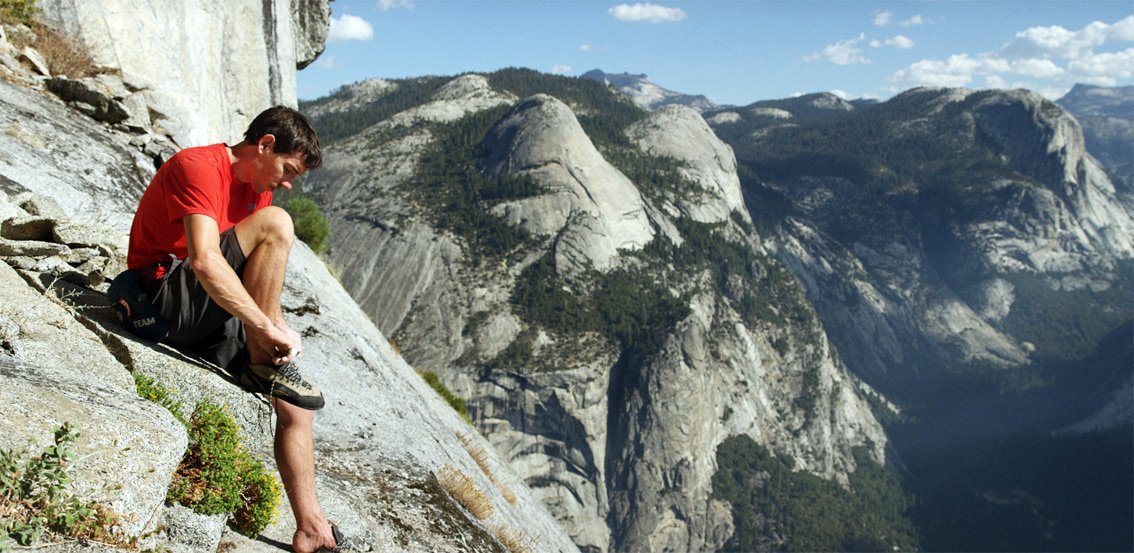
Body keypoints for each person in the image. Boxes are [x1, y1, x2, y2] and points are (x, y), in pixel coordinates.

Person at [124, 106, 348, 553]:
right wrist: (264, 327)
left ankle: (311, 528)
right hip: (161, 298)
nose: (286, 183)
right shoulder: (199, 166)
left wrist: (278, 330)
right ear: (264, 145)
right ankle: (263, 360)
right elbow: (206, 261)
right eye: (287, 170)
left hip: (203, 309)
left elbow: (257, 284)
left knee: (294, 402)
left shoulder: (254, 191)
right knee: (278, 223)